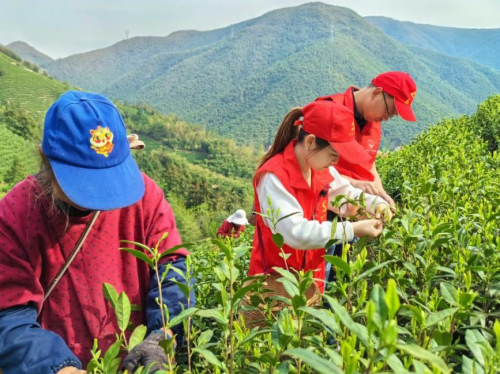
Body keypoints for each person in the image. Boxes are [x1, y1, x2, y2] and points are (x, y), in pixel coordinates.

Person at [0, 91, 194, 374]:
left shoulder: (145, 197)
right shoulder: (17, 214)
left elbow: (172, 268)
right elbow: (9, 313)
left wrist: (161, 335)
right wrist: (56, 367)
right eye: (84, 181)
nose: (99, 197)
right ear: (46, 159)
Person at [248, 100, 392, 292]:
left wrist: (375, 204)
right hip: (274, 288)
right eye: (333, 154)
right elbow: (296, 233)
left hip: (311, 280)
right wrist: (353, 230)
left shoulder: (320, 169)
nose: (336, 161)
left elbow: (346, 198)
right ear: (310, 142)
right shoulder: (274, 177)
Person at [317, 71, 418, 210]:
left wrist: (381, 194)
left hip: (359, 207)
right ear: (377, 93)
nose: (386, 118)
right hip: (328, 204)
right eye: (388, 112)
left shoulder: (374, 122)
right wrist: (355, 184)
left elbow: (370, 164)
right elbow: (309, 168)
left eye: (391, 116)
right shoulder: (329, 111)